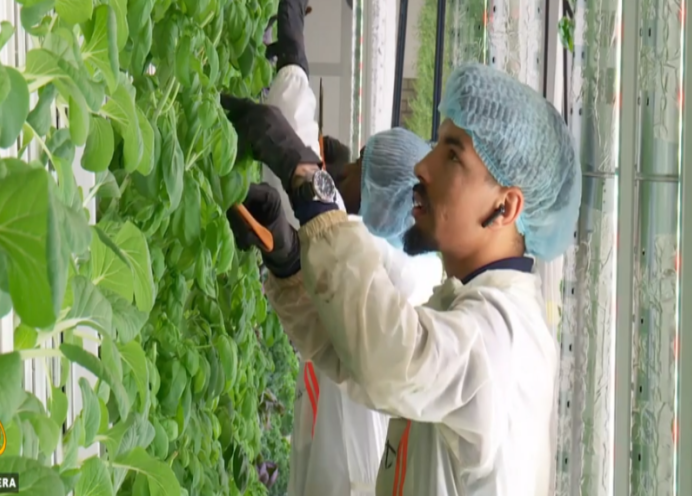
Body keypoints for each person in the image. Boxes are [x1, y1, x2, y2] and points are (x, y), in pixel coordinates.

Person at [221, 61, 581, 495]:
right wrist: (289, 262)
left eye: (452, 155)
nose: (423, 168)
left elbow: (389, 359)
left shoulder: (506, 341)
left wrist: (312, 186)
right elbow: (353, 358)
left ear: (505, 208)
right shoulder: (465, 305)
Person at [252, 1, 442, 494]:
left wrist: (294, 56)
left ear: (379, 202)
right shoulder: (405, 264)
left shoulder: (377, 265)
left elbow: (303, 172)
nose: (343, 169)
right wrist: (288, 260)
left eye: (357, 166)